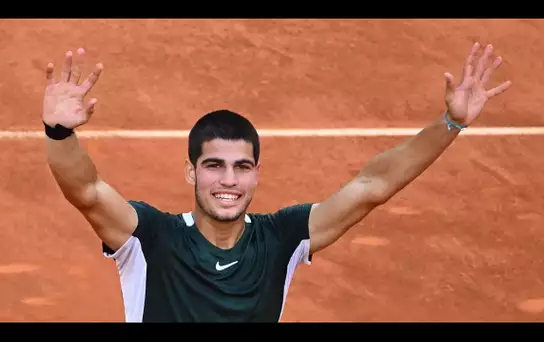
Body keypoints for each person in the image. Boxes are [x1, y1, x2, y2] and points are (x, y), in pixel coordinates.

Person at [41, 42, 511, 322]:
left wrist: (451, 124)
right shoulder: (151, 238)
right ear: (191, 172)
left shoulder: (281, 238)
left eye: (242, 167)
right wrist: (60, 133)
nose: (229, 180)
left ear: (256, 174)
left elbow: (372, 186)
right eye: (214, 165)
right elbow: (86, 190)